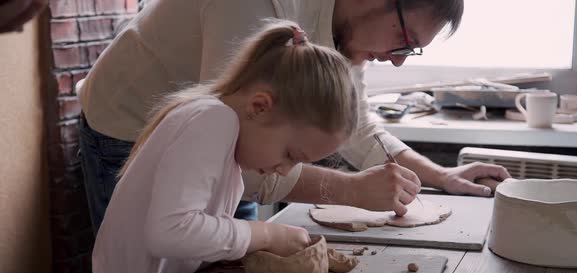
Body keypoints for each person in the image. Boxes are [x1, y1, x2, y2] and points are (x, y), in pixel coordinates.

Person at [77, 0, 510, 232]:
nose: (397, 62)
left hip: (236, 150)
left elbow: (357, 126)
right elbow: (234, 155)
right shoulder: (259, 7)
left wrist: (441, 176)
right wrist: (352, 190)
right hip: (129, 128)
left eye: (410, 51)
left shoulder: (347, 28)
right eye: (405, 39)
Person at [60, 20, 358, 273]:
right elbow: (171, 232)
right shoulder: (212, 122)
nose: (285, 170)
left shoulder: (226, 142)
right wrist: (267, 234)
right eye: (290, 155)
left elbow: (191, 239)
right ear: (259, 106)